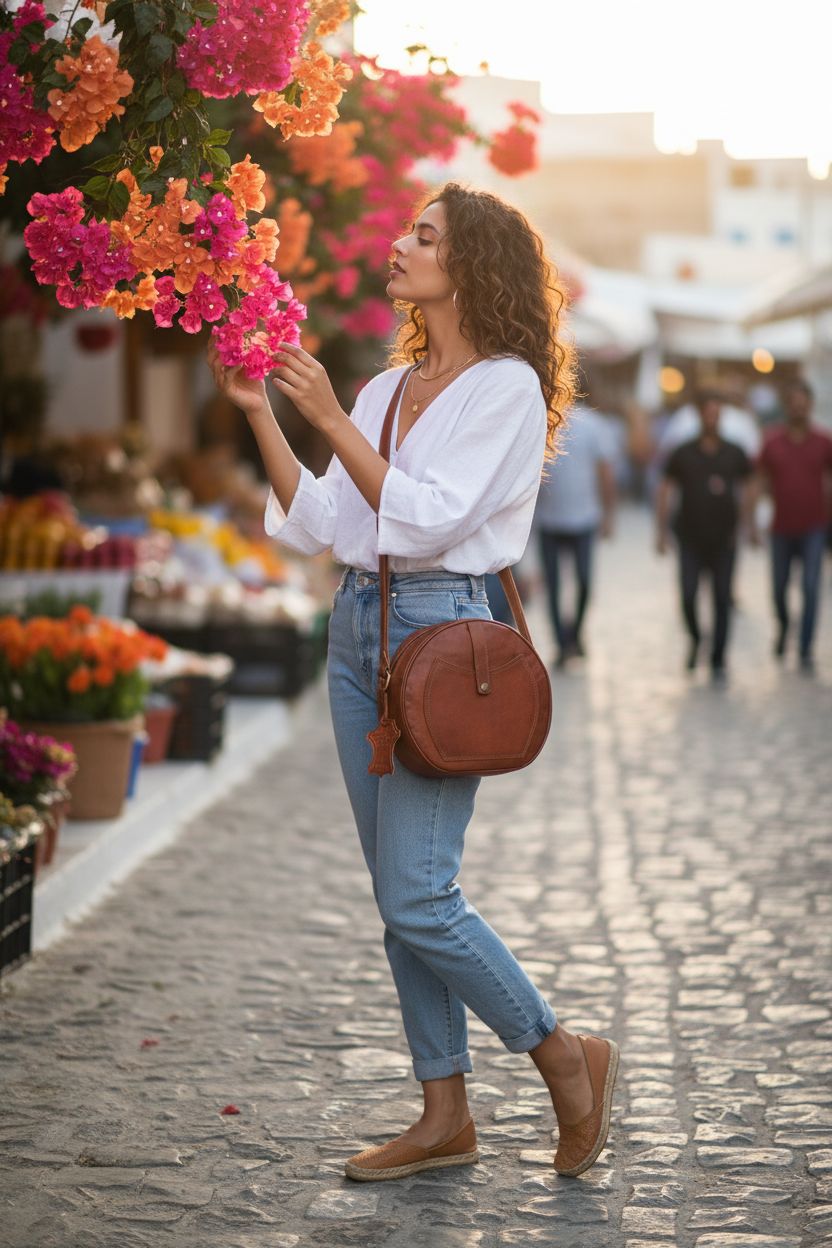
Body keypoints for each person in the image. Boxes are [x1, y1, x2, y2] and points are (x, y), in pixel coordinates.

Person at [209, 183, 619, 1183]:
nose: (399, 244)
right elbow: (323, 522)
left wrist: (325, 413)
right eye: (406, 230)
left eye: (424, 235)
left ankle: (563, 1054)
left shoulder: (506, 388)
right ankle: (444, 1114)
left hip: (442, 635)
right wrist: (265, 414)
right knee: (401, 896)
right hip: (360, 627)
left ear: (471, 265)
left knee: (418, 895)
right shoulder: (387, 390)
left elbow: (432, 518)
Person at [655, 390, 753, 681]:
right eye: (707, 413)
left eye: (716, 413)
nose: (712, 418)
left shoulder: (735, 451)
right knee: (688, 595)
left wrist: (748, 526)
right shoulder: (683, 452)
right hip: (689, 538)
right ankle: (696, 638)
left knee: (722, 598)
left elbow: (748, 488)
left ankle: (718, 657)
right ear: (699, 415)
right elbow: (665, 489)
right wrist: (660, 531)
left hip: (725, 539)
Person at [752, 379, 832, 672]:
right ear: (786, 407)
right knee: (778, 589)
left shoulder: (824, 441)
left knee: (811, 587)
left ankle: (805, 646)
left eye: (803, 404)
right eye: (794, 404)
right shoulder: (772, 441)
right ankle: (784, 626)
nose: (799, 409)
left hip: (814, 526)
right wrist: (752, 520)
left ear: (810, 406)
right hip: (781, 528)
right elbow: (759, 480)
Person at [533, 401, 616, 666]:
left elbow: (605, 470)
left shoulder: (592, 424)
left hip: (584, 518)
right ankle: (561, 643)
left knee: (584, 582)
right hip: (549, 520)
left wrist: (608, 514)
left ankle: (576, 634)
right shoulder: (541, 419)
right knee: (552, 586)